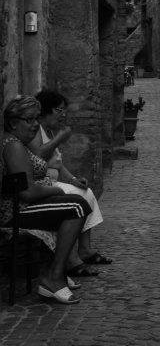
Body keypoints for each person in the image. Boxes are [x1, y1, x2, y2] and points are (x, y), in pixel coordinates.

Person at [0, 95, 92, 304]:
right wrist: (56, 191)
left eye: (36, 119)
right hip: (16, 212)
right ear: (13, 123)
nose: (35, 125)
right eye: (29, 120)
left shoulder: (19, 143)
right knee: (77, 207)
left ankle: (54, 271)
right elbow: (27, 192)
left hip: (25, 206)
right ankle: (54, 277)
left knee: (76, 203)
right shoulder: (13, 146)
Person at [28, 89, 112, 274]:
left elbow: (58, 164)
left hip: (52, 181)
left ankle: (85, 249)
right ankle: (71, 259)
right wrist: (60, 138)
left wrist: (73, 180)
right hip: (43, 184)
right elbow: (38, 155)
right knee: (77, 200)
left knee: (86, 192)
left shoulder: (50, 131)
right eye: (59, 110)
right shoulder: (36, 131)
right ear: (46, 110)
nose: (63, 115)